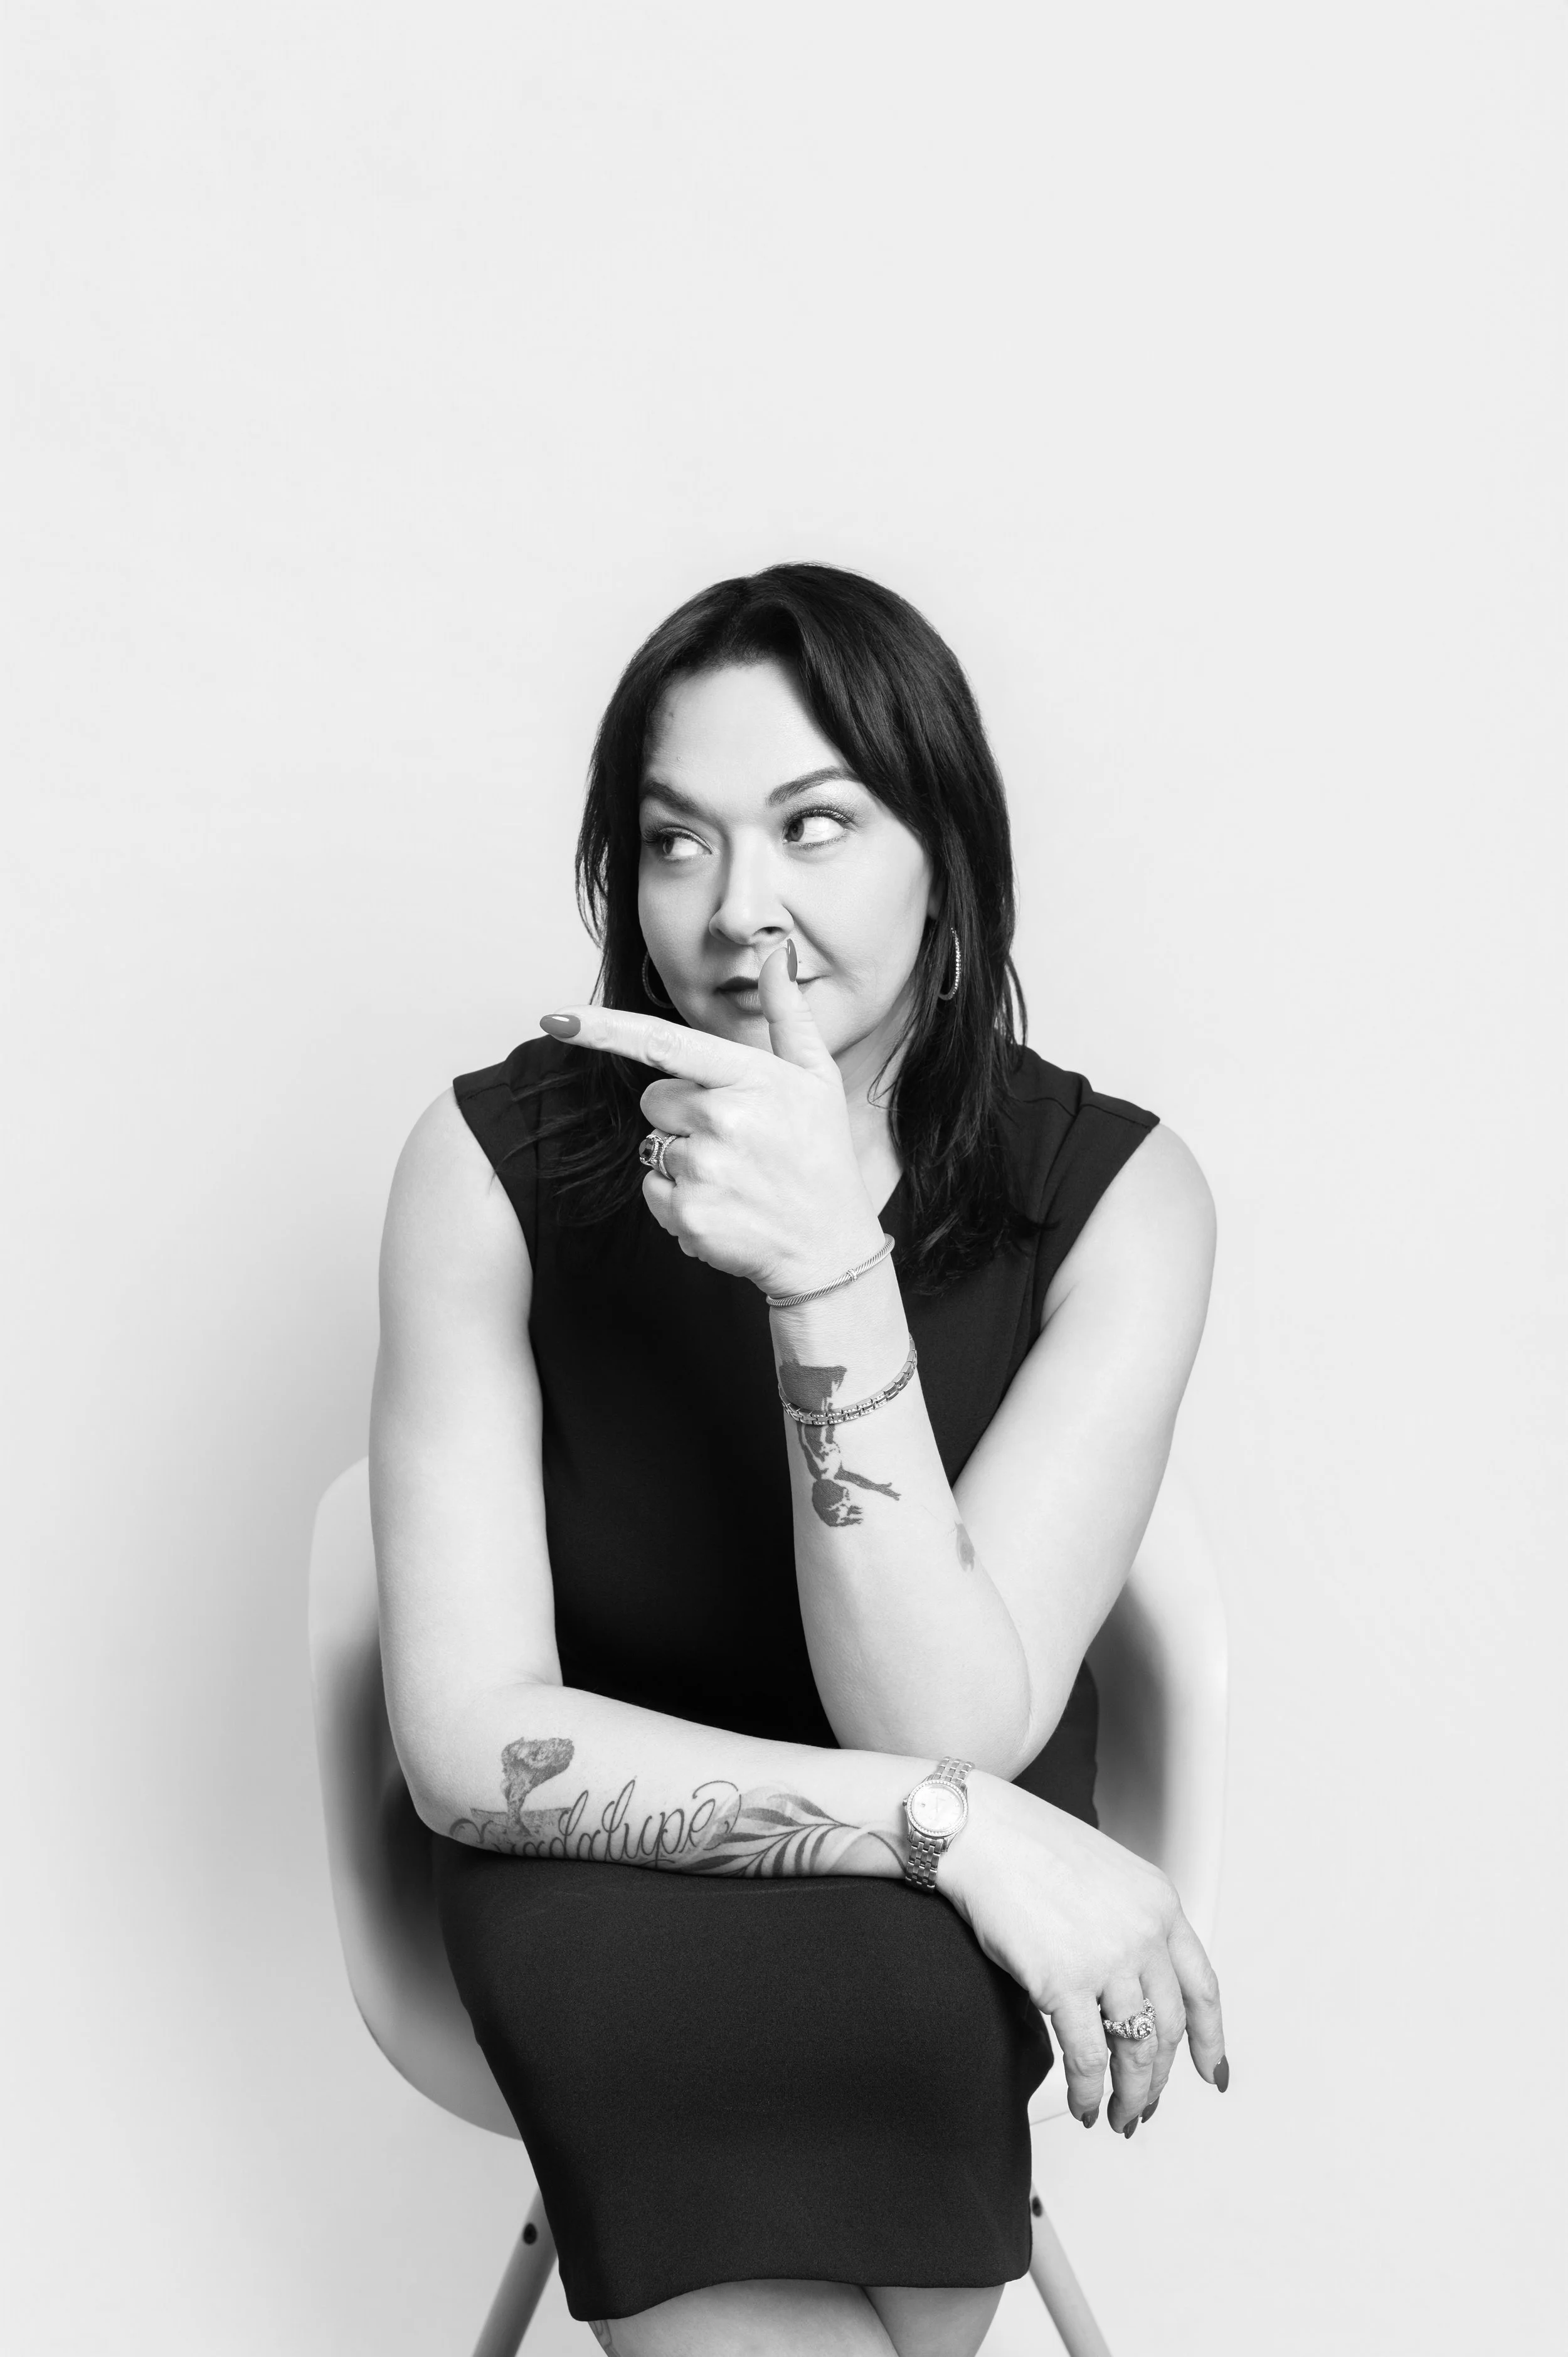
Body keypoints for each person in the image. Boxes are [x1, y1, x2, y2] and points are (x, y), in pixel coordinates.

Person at [369, 563, 1227, 2357]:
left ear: (946, 846)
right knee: (701, 2039)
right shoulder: (488, 1165)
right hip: (590, 1870)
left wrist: (828, 1266)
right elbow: (467, 1747)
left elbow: (946, 1713)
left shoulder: (1115, 1201)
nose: (736, 910)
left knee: (898, 2018)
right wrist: (952, 1835)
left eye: (813, 826)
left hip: (945, 1913)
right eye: (677, 843)